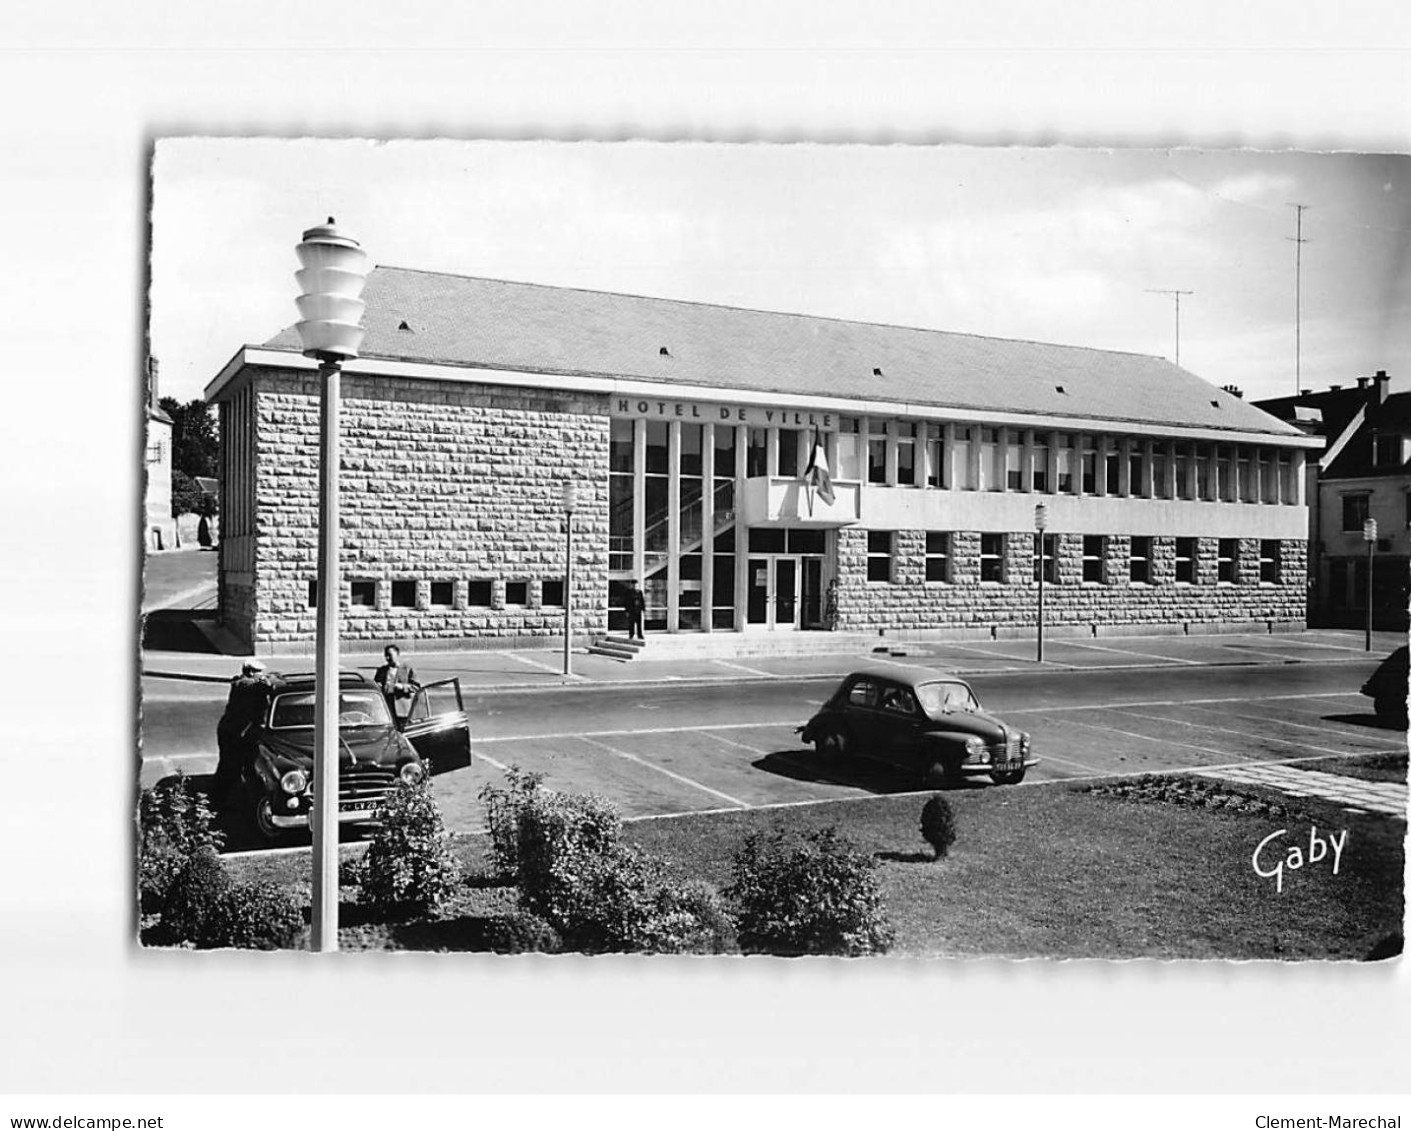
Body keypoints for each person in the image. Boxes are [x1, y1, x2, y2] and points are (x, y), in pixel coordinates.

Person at [214, 659, 273, 803]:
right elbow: (266, 688)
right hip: (231, 732)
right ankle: (219, 798)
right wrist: (271, 681)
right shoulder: (243, 684)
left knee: (237, 764)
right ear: (251, 672)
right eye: (259, 673)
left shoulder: (250, 685)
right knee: (229, 765)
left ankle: (224, 795)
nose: (262, 675)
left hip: (238, 731)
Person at [374, 644, 420, 724]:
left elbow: (416, 687)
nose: (387, 658)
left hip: (402, 709)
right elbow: (375, 686)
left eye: (390, 655)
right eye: (386, 656)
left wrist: (403, 687)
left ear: (397, 654)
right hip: (386, 708)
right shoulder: (382, 670)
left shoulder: (408, 669)